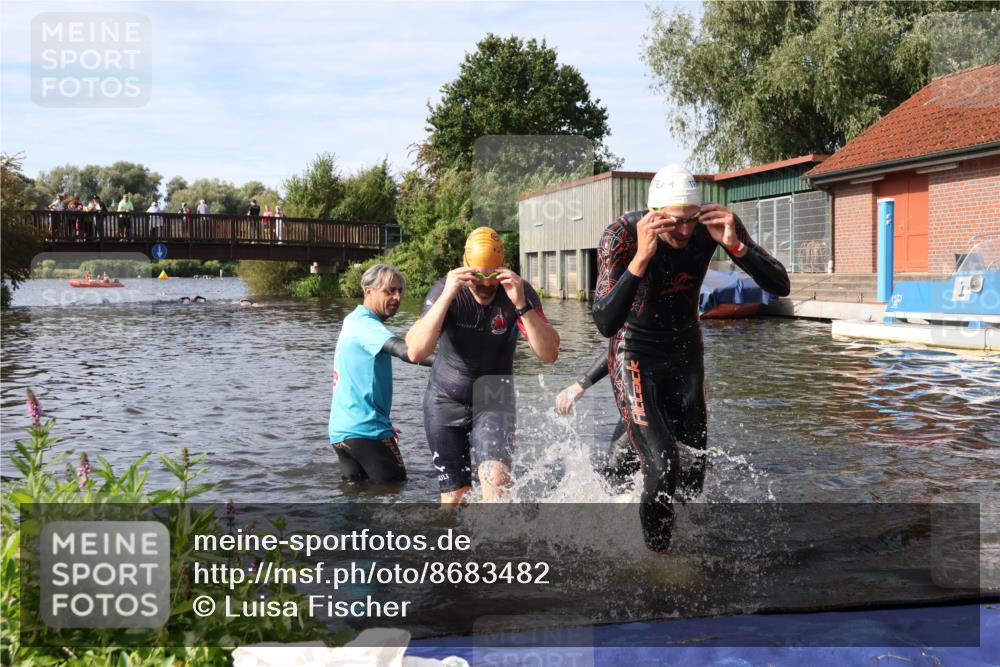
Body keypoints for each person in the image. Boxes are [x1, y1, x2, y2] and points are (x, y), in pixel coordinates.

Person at [593, 164, 790, 552]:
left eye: (689, 220)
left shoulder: (712, 225)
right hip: (635, 352)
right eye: (673, 222)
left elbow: (780, 285)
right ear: (653, 215)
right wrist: (641, 259)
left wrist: (736, 247)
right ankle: (658, 561)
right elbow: (604, 320)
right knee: (664, 462)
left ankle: (679, 541)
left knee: (692, 471)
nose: (684, 231)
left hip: (685, 353)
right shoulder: (620, 236)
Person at [405, 227, 561, 504]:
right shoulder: (446, 289)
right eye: (477, 275)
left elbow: (549, 354)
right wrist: (447, 297)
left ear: (501, 268)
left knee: (497, 487)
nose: (486, 284)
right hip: (444, 400)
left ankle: (495, 548)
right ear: (465, 267)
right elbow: (416, 352)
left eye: (491, 275)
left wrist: (521, 305)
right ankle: (454, 546)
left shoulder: (517, 291)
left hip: (494, 398)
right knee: (455, 499)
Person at [329, 264, 433, 484]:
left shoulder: (353, 320)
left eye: (399, 291)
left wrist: (379, 421)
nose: (396, 297)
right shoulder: (367, 325)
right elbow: (406, 351)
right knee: (395, 492)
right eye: (389, 291)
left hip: (343, 431)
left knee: (357, 501)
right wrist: (453, 363)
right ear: (368, 290)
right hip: (366, 431)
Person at [555, 350, 639, 490]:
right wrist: (582, 383)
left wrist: (582, 384)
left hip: (659, 403)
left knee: (619, 470)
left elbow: (621, 344)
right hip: (642, 403)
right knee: (618, 472)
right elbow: (620, 345)